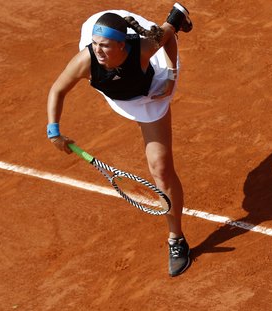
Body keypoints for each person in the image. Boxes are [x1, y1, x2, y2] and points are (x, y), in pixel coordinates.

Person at [46, 3, 193, 277]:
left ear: (123, 45)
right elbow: (57, 89)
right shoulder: (87, 60)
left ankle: (176, 240)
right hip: (118, 94)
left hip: (148, 97)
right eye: (95, 43)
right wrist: (53, 130)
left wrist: (171, 75)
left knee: (161, 168)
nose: (98, 50)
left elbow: (168, 36)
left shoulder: (143, 48)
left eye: (105, 45)